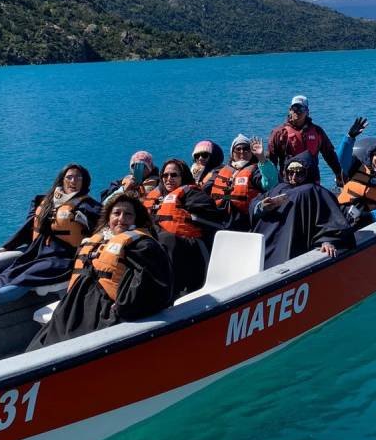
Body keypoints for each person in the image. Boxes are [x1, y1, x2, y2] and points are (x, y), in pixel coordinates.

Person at [28, 194, 173, 348]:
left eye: (128, 214)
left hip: (104, 310)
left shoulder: (142, 246)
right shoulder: (98, 240)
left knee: (69, 345)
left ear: (136, 219)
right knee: (42, 342)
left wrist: (122, 307)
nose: (121, 218)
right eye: (116, 213)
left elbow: (156, 286)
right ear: (109, 218)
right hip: (73, 306)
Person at [0, 164, 101, 299]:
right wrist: (7, 246)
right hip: (38, 251)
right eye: (69, 177)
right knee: (8, 270)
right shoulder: (47, 201)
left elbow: (105, 227)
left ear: (84, 181)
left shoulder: (88, 206)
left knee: (25, 276)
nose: (73, 181)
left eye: (78, 178)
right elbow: (29, 227)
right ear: (62, 180)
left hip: (64, 257)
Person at [251, 152, 355, 268]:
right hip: (268, 243)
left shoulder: (315, 192)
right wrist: (261, 206)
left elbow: (332, 222)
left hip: (292, 246)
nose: (294, 177)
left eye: (299, 173)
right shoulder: (279, 188)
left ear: (309, 173)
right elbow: (254, 204)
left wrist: (327, 241)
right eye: (290, 173)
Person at [154, 158, 223, 298]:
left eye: (174, 175)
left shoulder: (193, 194)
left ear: (183, 176)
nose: (168, 179)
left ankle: (168, 295)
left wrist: (188, 214)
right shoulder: (157, 199)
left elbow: (213, 217)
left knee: (166, 239)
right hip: (163, 246)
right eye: (165, 175)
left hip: (191, 248)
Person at [267, 95, 343, 185]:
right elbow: (271, 159)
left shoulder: (317, 131)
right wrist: (272, 183)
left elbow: (329, 154)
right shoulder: (279, 133)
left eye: (301, 109)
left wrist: (338, 174)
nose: (297, 112)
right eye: (295, 108)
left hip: (312, 181)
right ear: (290, 110)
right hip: (289, 182)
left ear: (307, 111)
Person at [208, 134, 278, 231]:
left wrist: (261, 158)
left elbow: (270, 184)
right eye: (238, 149)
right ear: (232, 153)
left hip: (244, 222)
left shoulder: (255, 171)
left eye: (246, 149)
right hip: (220, 221)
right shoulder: (220, 171)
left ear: (251, 152)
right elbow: (204, 191)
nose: (242, 152)